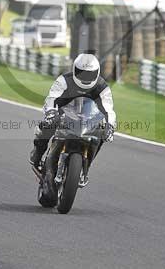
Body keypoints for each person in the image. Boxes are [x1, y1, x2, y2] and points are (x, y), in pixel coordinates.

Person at [30, 53, 116, 186]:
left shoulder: (102, 87)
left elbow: (108, 108)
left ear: (97, 72)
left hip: (88, 118)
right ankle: (37, 155)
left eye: (89, 74)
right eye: (82, 73)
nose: (85, 77)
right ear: (75, 69)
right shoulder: (64, 81)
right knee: (47, 125)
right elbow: (52, 98)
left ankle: (86, 166)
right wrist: (51, 113)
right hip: (64, 113)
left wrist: (110, 126)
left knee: (102, 133)